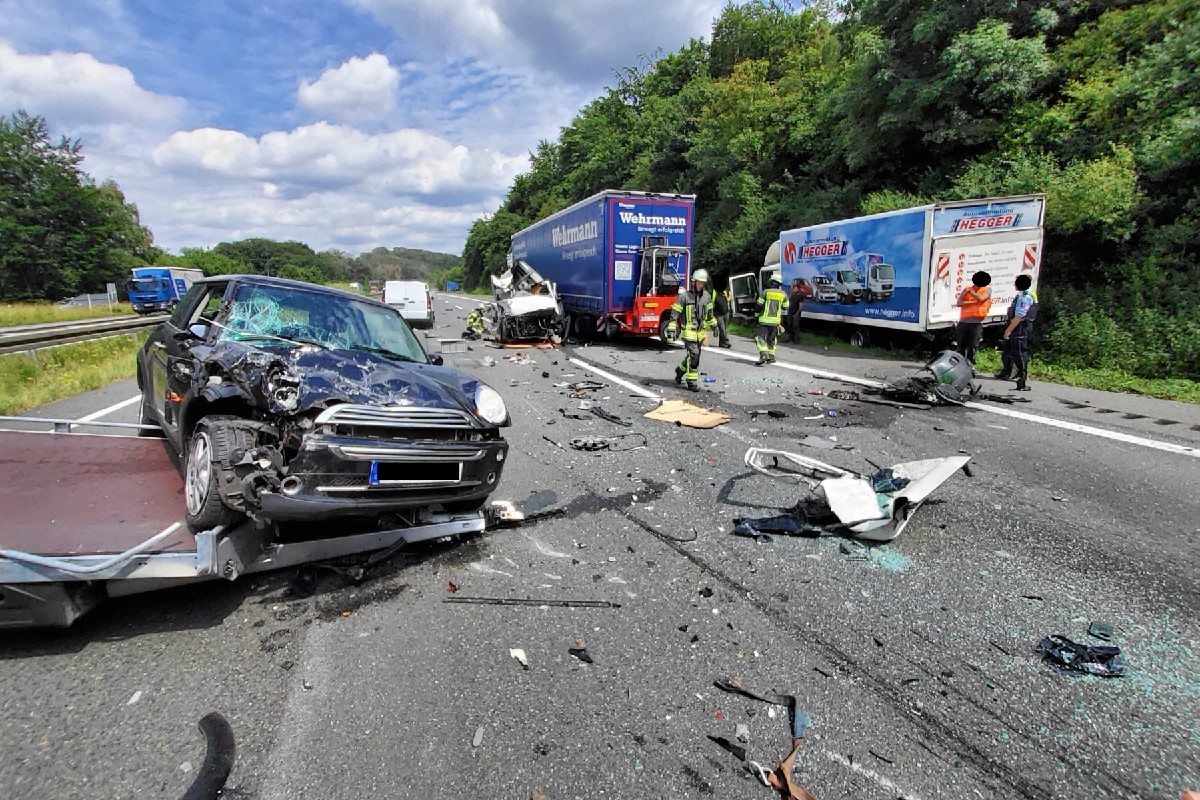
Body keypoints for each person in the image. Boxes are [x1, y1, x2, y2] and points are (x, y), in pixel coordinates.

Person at [665, 269, 716, 391]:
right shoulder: (684, 297)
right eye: (699, 283)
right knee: (694, 355)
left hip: (700, 332)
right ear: (694, 282)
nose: (700, 285)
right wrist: (672, 328)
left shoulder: (707, 297)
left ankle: (679, 371)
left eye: (702, 283)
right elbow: (675, 313)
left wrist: (714, 326)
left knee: (692, 357)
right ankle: (691, 382)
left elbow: (710, 314)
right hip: (688, 331)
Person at [998, 274, 1038, 391]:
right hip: (1020, 326)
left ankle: (1022, 379)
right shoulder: (1023, 295)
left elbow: (1019, 316)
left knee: (1020, 353)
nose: (1014, 284)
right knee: (1009, 351)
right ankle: (1007, 372)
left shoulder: (1024, 297)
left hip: (1021, 327)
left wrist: (1008, 330)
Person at [954, 271, 992, 364]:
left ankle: (970, 365)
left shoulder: (987, 289)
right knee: (960, 346)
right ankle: (960, 364)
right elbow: (959, 303)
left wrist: (972, 293)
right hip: (963, 322)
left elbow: (981, 298)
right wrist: (973, 302)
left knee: (973, 346)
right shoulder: (967, 289)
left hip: (976, 323)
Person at [754, 277, 787, 365]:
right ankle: (771, 357)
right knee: (771, 339)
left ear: (771, 282)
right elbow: (785, 307)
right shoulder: (783, 294)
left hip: (764, 320)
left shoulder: (765, 292)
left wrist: (756, 315)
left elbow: (759, 305)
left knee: (760, 338)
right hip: (776, 321)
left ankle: (764, 355)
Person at [712, 284, 732, 348]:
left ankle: (721, 343)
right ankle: (726, 341)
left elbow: (727, 301)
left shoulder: (724, 293)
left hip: (726, 313)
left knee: (723, 329)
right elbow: (712, 303)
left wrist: (730, 297)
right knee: (722, 328)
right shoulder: (715, 293)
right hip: (719, 315)